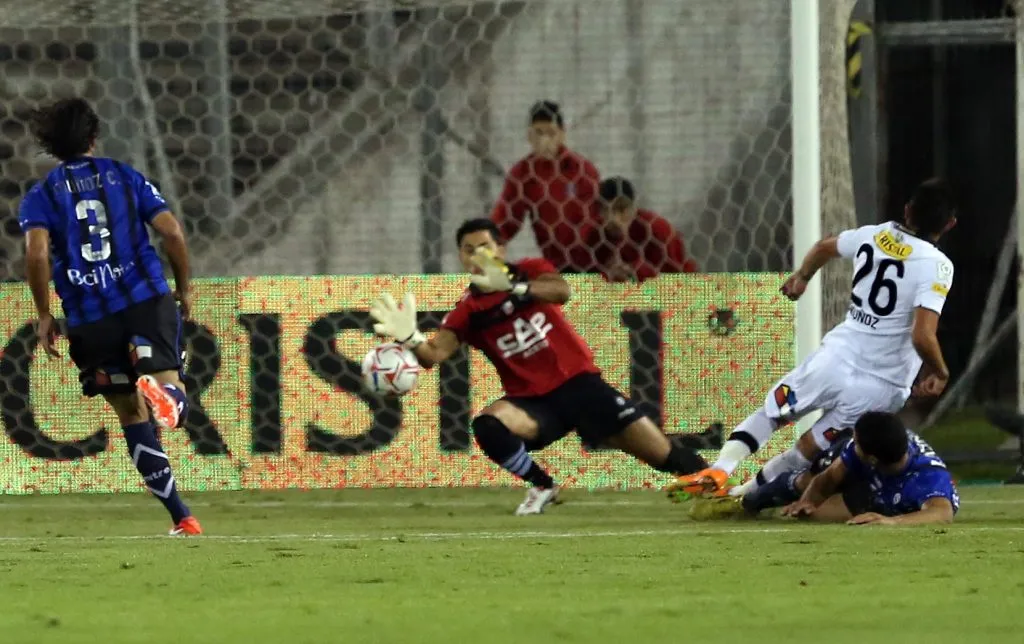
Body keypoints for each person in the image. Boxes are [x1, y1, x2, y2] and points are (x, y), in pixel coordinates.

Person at [369, 218, 707, 515]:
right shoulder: (467, 310)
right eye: (468, 250)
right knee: (487, 425)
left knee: (664, 456)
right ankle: (543, 485)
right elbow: (434, 355)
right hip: (534, 403)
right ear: (460, 256)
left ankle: (721, 492)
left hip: (581, 387)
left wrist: (514, 288)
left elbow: (561, 291)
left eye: (484, 247)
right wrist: (411, 338)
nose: (476, 256)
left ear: (501, 248)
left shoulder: (528, 270)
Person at [669, 178, 957, 498]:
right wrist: (940, 371)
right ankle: (740, 496)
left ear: (907, 210)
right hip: (882, 383)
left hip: (838, 357)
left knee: (775, 411)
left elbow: (823, 247)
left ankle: (720, 470)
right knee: (812, 446)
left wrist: (802, 277)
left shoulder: (873, 235)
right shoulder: (938, 266)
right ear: (949, 224)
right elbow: (922, 335)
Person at [19, 98, 200, 536]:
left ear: (51, 146)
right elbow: (171, 232)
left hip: (89, 316)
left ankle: (183, 517)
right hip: (142, 297)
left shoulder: (41, 196)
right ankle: (170, 400)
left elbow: (37, 253)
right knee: (165, 383)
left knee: (129, 414)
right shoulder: (124, 175)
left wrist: (44, 314)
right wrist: (184, 286)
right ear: (93, 138)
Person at [490, 101, 601, 274]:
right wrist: (488, 245)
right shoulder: (524, 173)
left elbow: (595, 219)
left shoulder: (582, 170)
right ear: (529, 137)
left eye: (551, 133)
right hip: (554, 265)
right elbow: (506, 218)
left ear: (562, 134)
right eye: (538, 133)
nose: (544, 141)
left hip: (593, 263)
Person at [592, 176, 697, 282]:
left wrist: (634, 272)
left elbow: (676, 279)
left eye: (621, 209)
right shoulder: (595, 234)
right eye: (606, 210)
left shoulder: (656, 229)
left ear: (633, 208)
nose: (614, 218)